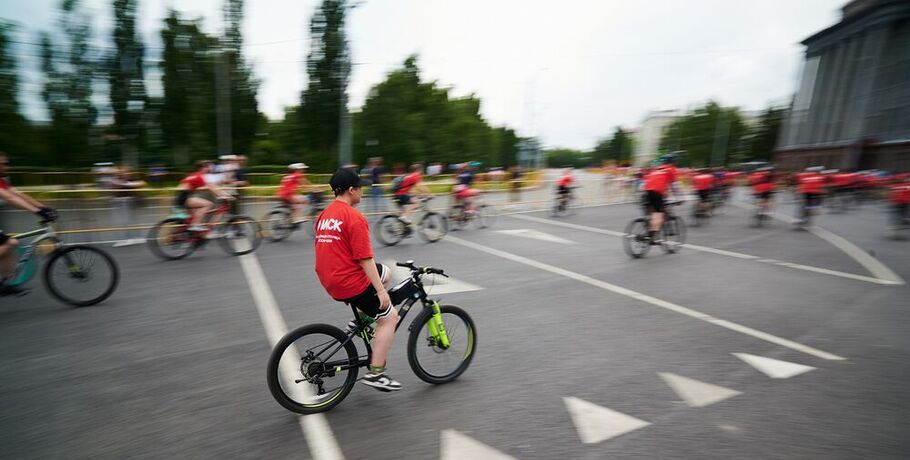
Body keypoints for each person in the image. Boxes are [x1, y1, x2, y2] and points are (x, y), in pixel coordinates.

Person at [314, 168, 401, 392]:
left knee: (386, 273)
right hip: (349, 281)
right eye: (360, 187)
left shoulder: (325, 214)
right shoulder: (354, 217)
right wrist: (381, 291)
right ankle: (376, 373)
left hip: (329, 278)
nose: (363, 191)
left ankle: (362, 320)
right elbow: (364, 259)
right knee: (390, 318)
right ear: (351, 190)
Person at [0, 153, 57, 296]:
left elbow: (18, 194)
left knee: (9, 244)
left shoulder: (2, 181)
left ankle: (5, 284)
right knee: (9, 243)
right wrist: (38, 212)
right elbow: (10, 198)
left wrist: (43, 208)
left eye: (7, 163)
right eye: (3, 164)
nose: (7, 167)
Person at [175, 160, 233, 232]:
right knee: (208, 204)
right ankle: (195, 225)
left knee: (195, 216)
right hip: (184, 198)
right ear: (201, 168)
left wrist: (223, 194)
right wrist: (223, 196)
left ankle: (193, 231)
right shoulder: (200, 176)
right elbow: (210, 187)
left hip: (181, 197)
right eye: (206, 167)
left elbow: (210, 186)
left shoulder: (194, 175)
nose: (208, 169)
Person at [642, 154, 679, 243]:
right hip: (657, 192)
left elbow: (649, 180)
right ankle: (650, 236)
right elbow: (674, 185)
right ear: (673, 162)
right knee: (659, 215)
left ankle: (650, 228)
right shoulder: (671, 169)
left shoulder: (657, 168)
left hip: (647, 191)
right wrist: (679, 197)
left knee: (653, 213)